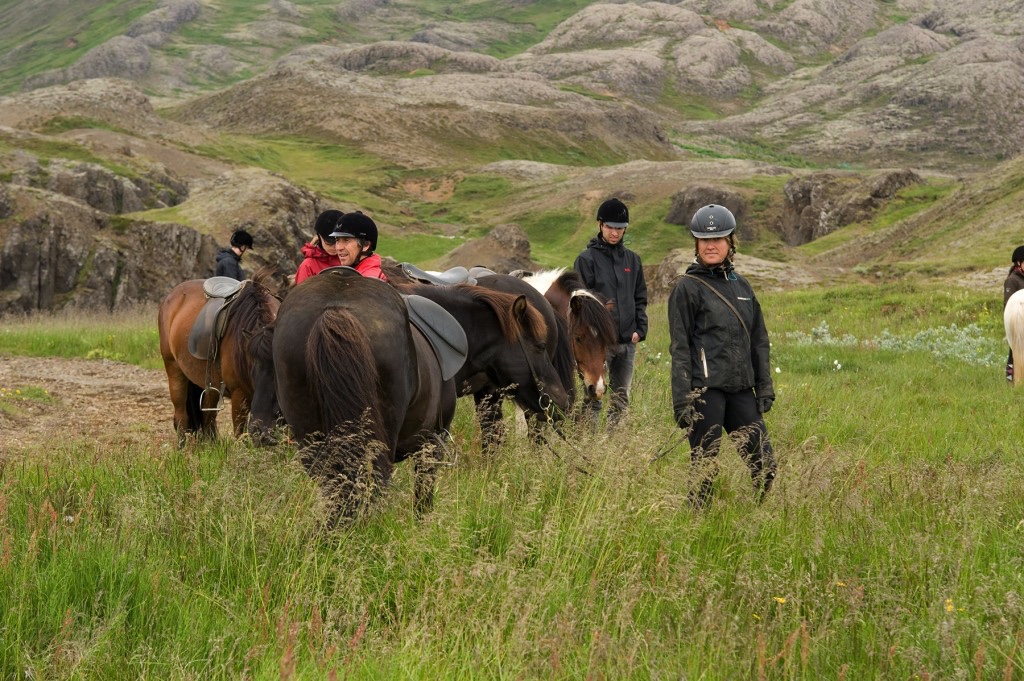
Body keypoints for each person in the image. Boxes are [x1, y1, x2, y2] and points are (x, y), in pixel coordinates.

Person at [668, 204, 776, 509]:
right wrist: (681, 400)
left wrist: (764, 386)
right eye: (704, 240)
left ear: (731, 243)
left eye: (718, 239)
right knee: (704, 471)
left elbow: (759, 340)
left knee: (766, 466)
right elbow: (679, 348)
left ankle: (754, 519)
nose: (710, 245)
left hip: (742, 390)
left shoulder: (743, 287)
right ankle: (695, 528)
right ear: (696, 244)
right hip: (705, 392)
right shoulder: (687, 288)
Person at [573, 197, 648, 427]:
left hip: (628, 341)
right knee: (594, 394)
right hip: (599, 344)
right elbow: (581, 305)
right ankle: (589, 441)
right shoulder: (586, 260)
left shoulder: (633, 260)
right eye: (610, 227)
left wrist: (640, 329)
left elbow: (640, 297)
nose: (615, 233)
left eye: (619, 228)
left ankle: (613, 443)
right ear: (600, 225)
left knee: (621, 397)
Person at [328, 211, 388, 281]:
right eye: (337, 240)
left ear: (366, 245)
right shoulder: (354, 274)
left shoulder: (369, 280)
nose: (338, 248)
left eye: (346, 240)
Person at [295, 210, 343, 285]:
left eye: (339, 242)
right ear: (319, 236)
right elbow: (302, 295)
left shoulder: (350, 258)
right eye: (329, 244)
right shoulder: (308, 266)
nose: (335, 248)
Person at [1003, 246, 1024, 382]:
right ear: (1019, 263)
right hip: (1016, 320)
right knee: (1013, 352)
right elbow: (1008, 303)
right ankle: (1010, 379)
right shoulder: (1012, 280)